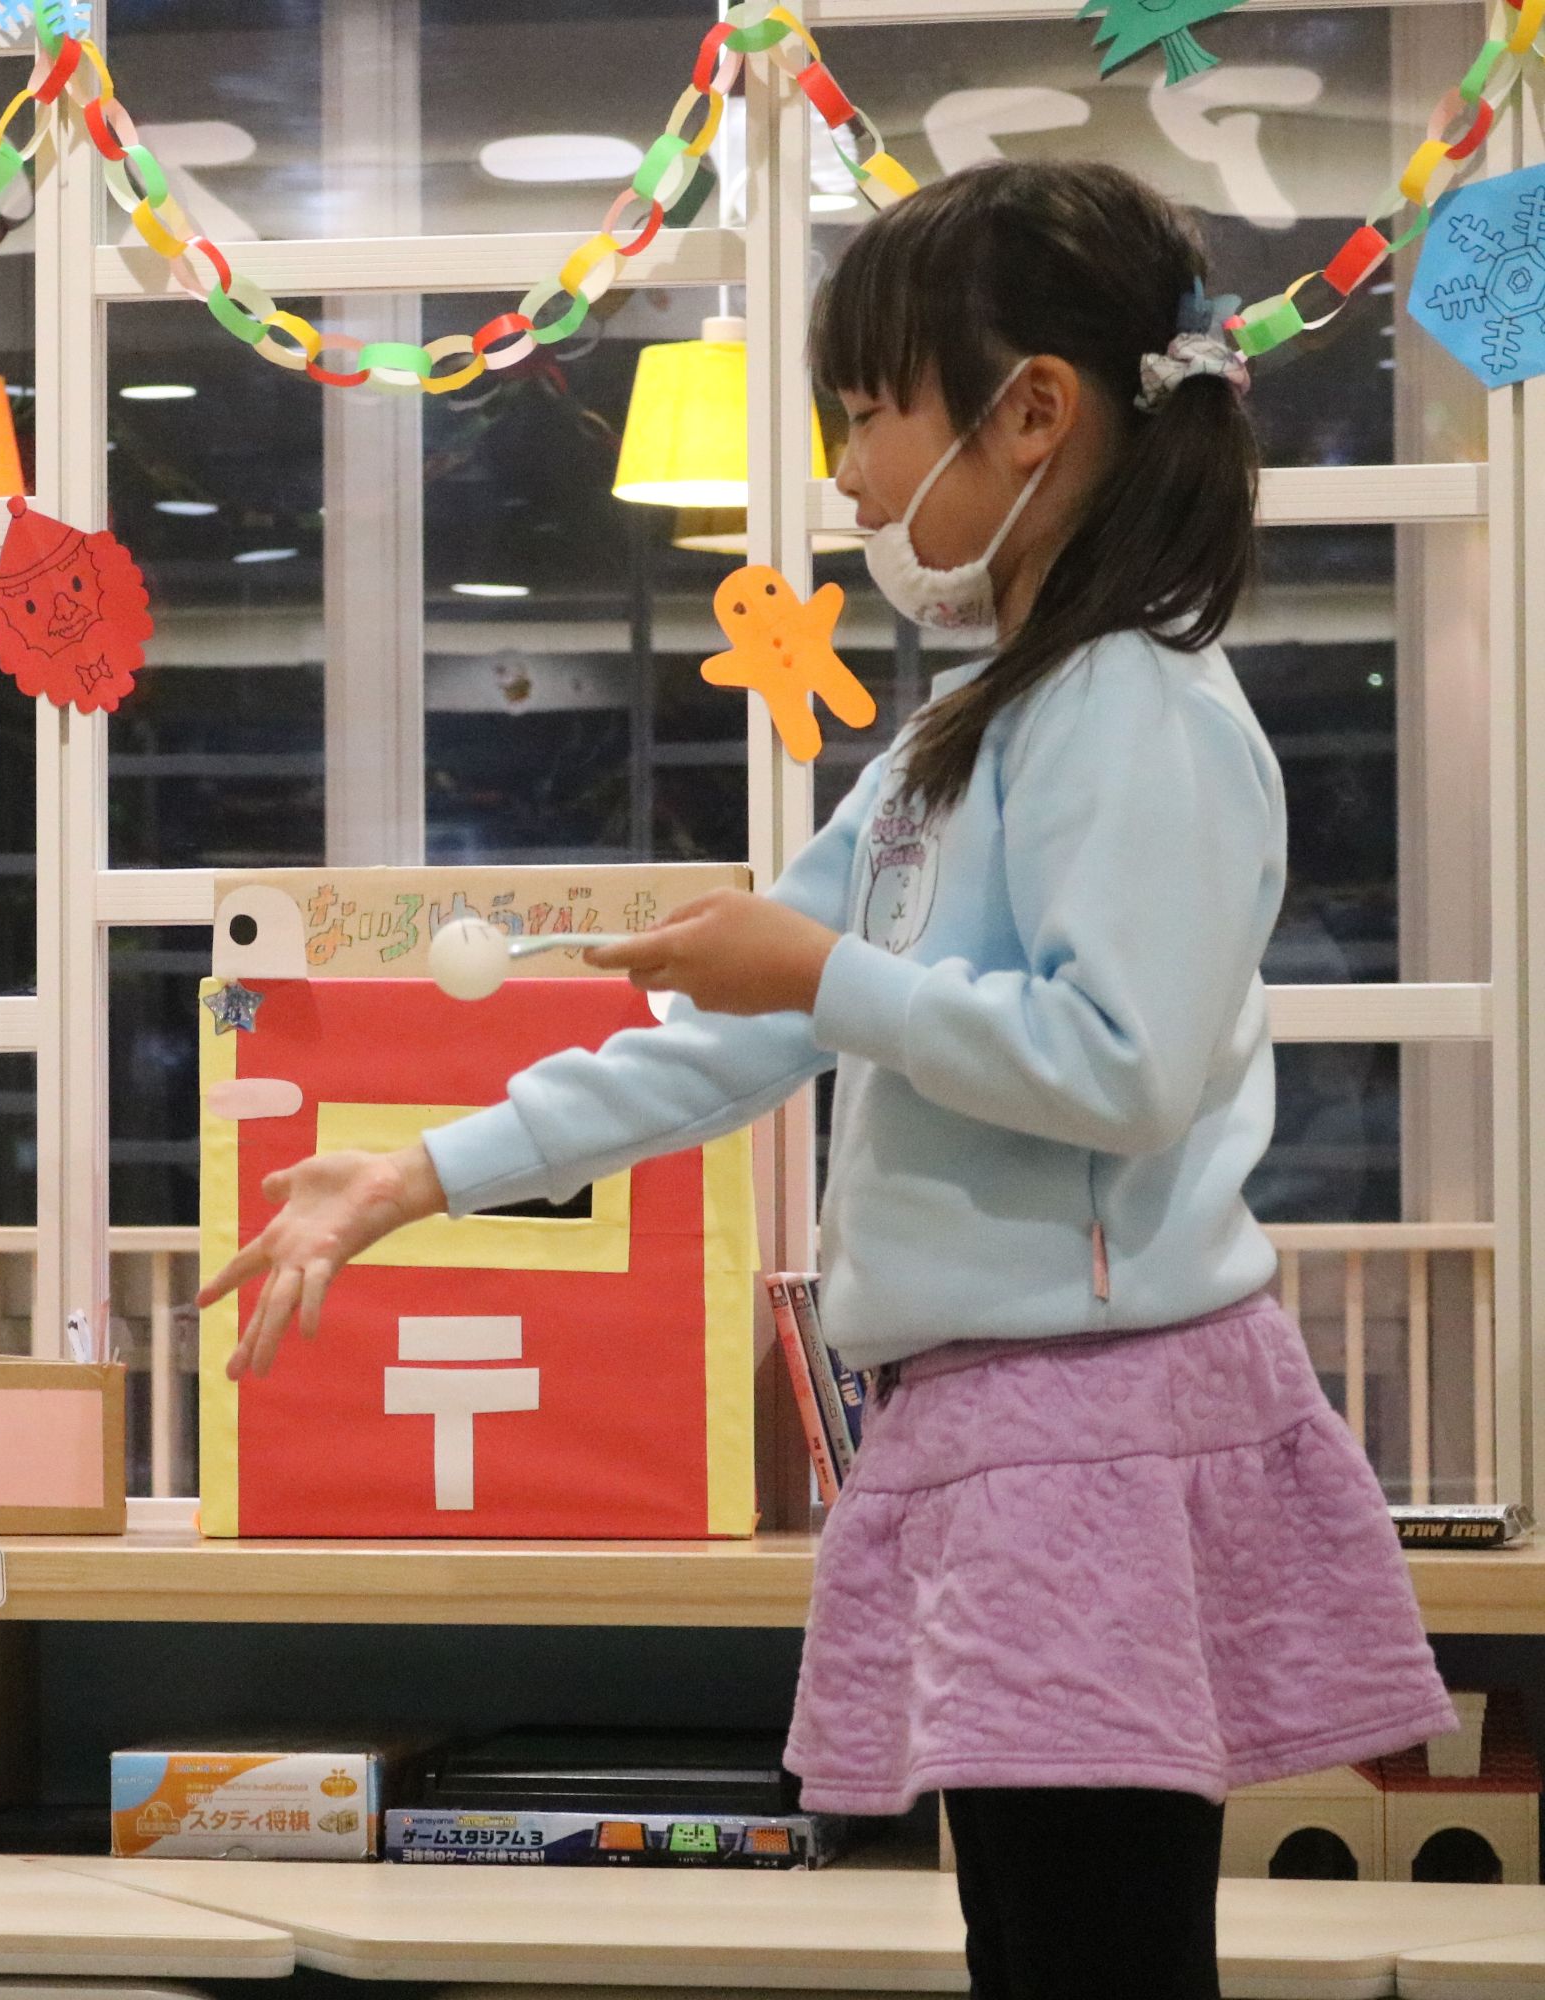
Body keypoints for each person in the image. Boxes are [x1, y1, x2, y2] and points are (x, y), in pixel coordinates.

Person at [200, 161, 1451, 2000]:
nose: (850, 474)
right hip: (1003, 1435)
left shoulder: (1142, 707)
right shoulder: (974, 729)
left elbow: (1122, 1069)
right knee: (1042, 1942)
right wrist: (412, 1173)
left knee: (1088, 1950)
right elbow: (739, 1033)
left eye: (871, 413)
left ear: (1034, 413)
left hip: (1093, 1438)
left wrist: (826, 975)